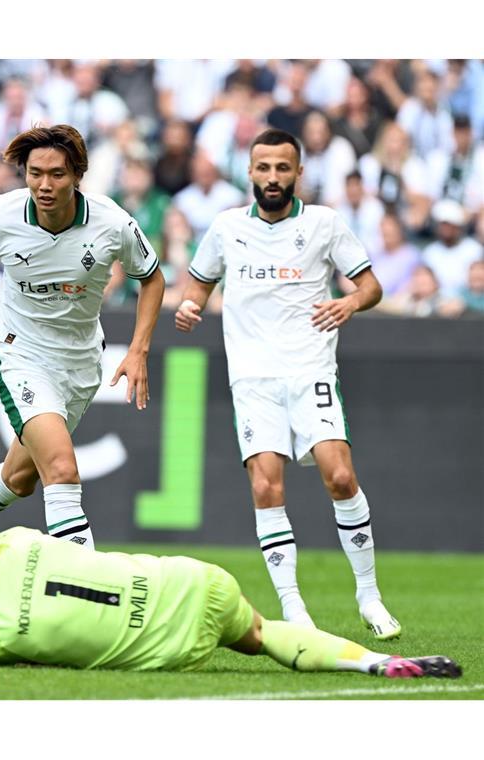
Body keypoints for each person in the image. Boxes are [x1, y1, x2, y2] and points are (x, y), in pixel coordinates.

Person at [174, 128, 400, 639]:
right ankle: (295, 610)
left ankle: (369, 595)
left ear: (299, 173)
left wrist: (349, 302)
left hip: (309, 370)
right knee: (264, 486)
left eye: (282, 168)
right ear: (249, 172)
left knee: (340, 476)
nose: (272, 177)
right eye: (263, 168)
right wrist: (191, 307)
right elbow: (199, 284)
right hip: (253, 378)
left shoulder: (325, 223)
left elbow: (371, 285)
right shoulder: (227, 227)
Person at [0, 515, 462, 679]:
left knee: (250, 643)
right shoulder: (22, 538)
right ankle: (375, 664)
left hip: (171, 646)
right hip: (194, 582)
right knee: (265, 635)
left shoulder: (3, 633)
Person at [0, 125, 165, 550]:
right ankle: (84, 593)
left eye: (56, 174)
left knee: (19, 479)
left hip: (81, 360)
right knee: (61, 468)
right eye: (35, 173)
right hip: (22, 353)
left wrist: (138, 349)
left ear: (77, 174)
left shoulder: (112, 223)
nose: (44, 185)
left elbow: (152, 278)